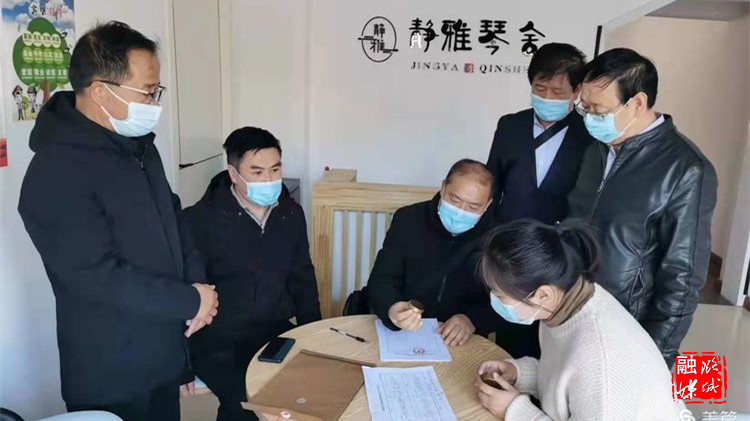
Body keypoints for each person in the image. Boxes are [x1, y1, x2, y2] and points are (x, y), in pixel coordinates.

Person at [18, 21, 218, 421]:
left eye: (156, 90)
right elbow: (96, 276)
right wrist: (190, 300)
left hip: (163, 350)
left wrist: (198, 289)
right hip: (112, 371)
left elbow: (174, 217)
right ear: (100, 91)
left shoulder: (139, 147)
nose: (154, 102)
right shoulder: (55, 172)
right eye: (147, 91)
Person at [567, 48, 717, 368]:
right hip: (573, 310)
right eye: (585, 108)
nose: (589, 118)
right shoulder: (596, 151)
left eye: (598, 110)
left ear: (637, 103)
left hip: (626, 326)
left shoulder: (685, 169)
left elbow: (682, 277)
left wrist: (655, 357)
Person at [474, 219, 686, 421]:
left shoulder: (598, 356)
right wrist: (519, 373)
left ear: (543, 294)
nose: (494, 299)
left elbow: (588, 378)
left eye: (500, 295)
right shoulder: (564, 303)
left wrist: (514, 410)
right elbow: (567, 380)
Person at [183, 127, 322, 421]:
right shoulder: (199, 220)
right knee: (244, 401)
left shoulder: (290, 214)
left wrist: (313, 334)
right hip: (217, 338)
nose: (269, 179)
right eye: (257, 172)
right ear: (234, 174)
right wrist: (178, 361)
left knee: (307, 391)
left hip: (273, 329)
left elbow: (302, 277)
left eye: (275, 169)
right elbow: (185, 292)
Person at [485, 43, 594, 359]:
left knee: (553, 340)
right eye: (540, 88)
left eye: (558, 91)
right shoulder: (510, 126)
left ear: (576, 92)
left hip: (558, 256)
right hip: (510, 253)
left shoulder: (590, 136)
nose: (547, 97)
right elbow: (492, 184)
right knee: (509, 337)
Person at [368, 159, 499, 345]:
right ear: (443, 188)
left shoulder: (497, 237)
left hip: (460, 340)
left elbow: (506, 299)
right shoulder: (408, 219)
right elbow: (382, 279)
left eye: (473, 207)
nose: (460, 212)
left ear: (487, 204)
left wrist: (472, 320)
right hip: (401, 333)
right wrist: (391, 307)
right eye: (455, 200)